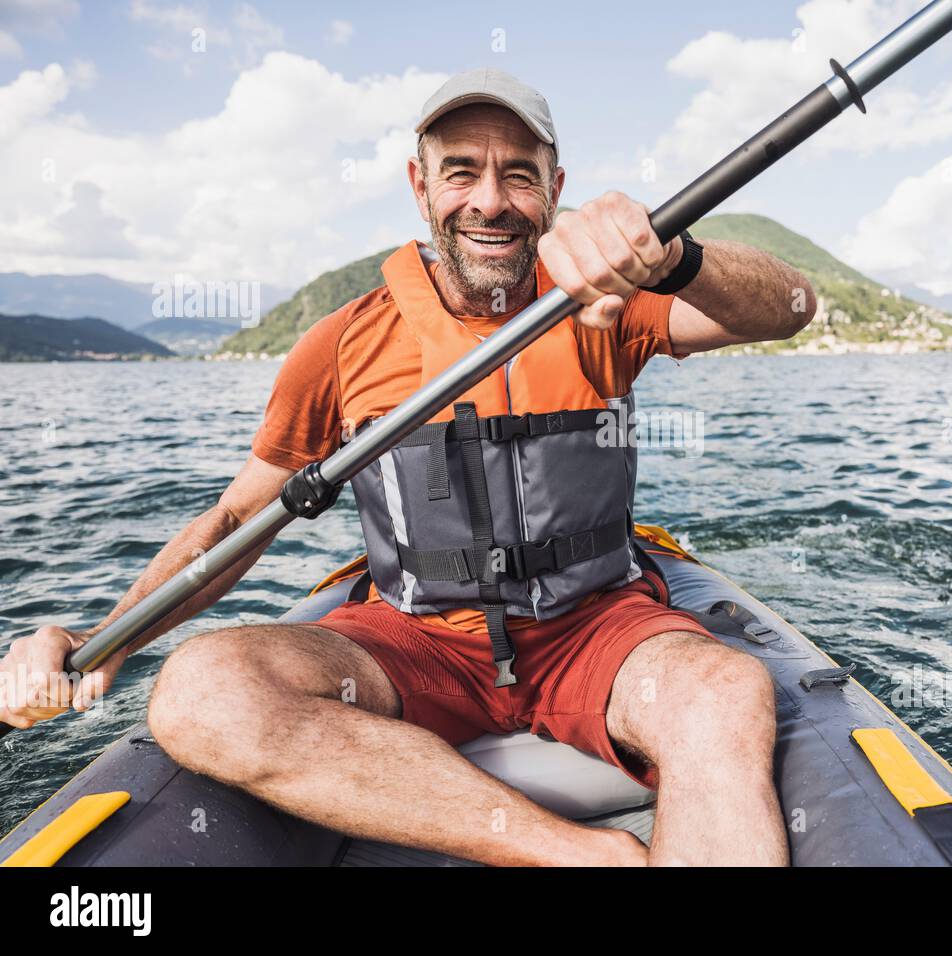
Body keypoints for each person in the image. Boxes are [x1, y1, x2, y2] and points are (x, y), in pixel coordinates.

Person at [0, 68, 816, 866]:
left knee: (724, 693)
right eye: (461, 171)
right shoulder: (344, 342)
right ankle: (579, 858)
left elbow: (792, 310)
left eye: (519, 177)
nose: (490, 201)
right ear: (419, 186)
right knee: (199, 690)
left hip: (595, 627)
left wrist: (674, 256)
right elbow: (234, 520)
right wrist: (93, 639)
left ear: (555, 187)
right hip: (413, 642)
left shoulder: (607, 298)